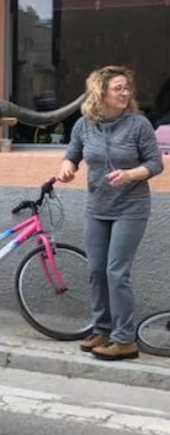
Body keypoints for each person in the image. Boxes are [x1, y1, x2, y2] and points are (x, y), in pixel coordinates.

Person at [57, 65, 163, 361]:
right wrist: (67, 167)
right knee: (95, 270)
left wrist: (130, 175)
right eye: (118, 88)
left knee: (116, 272)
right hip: (97, 208)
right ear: (100, 92)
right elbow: (73, 154)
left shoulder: (138, 125)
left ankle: (124, 339)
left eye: (127, 88)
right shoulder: (84, 125)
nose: (125, 93)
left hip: (131, 208)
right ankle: (102, 329)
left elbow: (155, 164)